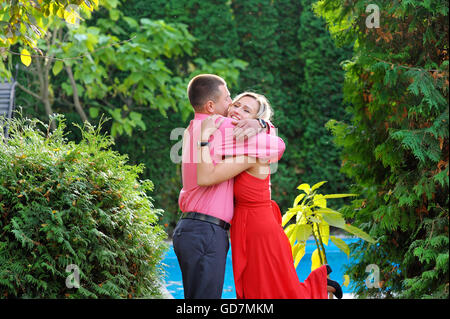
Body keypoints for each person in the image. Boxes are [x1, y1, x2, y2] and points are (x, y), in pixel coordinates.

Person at [197, 92, 343, 299]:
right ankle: (320, 285)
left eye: (246, 110)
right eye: (236, 105)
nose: (237, 110)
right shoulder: (234, 140)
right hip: (247, 222)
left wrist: (262, 126)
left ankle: (319, 286)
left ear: (256, 119)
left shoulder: (255, 148)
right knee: (259, 288)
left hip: (258, 226)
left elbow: (207, 176)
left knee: (267, 292)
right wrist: (263, 126)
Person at [173, 74, 286, 299]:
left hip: (188, 229)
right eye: (228, 99)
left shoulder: (191, 129)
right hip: (206, 232)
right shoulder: (223, 127)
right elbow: (277, 146)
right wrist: (262, 123)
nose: (231, 104)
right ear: (211, 105)